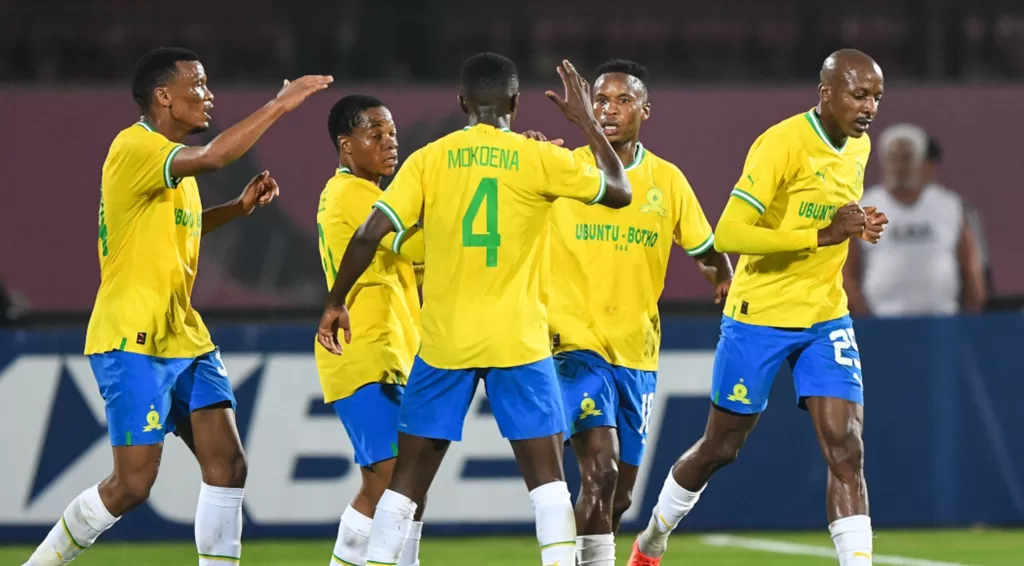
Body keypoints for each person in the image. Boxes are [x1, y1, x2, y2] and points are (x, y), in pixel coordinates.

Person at [316, 52, 633, 566]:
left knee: (404, 485)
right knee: (548, 484)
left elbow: (370, 233)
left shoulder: (429, 159)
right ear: (514, 102)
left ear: (462, 102)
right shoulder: (539, 159)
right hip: (519, 339)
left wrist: (334, 302)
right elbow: (619, 190)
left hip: (445, 341)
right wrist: (586, 123)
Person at [24, 47, 332, 566]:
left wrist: (235, 209)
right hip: (133, 334)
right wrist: (280, 105)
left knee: (229, 466)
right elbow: (215, 155)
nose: (209, 95)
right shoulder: (134, 146)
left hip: (183, 334)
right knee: (133, 483)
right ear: (163, 95)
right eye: (199, 85)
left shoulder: (175, 174)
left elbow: (178, 232)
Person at [628, 49, 889, 566]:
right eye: (859, 95)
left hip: (823, 316)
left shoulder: (858, 147)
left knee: (847, 447)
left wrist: (855, 223)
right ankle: (653, 536)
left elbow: (836, 217)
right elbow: (729, 232)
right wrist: (825, 232)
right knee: (719, 448)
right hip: (759, 314)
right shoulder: (782, 144)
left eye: (877, 97)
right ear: (826, 94)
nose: (870, 108)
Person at [526, 58, 732, 566]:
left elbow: (705, 249)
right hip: (573, 346)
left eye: (622, 100)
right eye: (600, 100)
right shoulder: (564, 168)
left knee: (617, 498)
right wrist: (520, 154)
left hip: (636, 351)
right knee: (600, 469)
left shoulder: (667, 180)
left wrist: (725, 278)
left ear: (646, 110)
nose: (609, 109)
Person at [316, 94, 426, 566]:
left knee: (389, 486)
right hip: (364, 354)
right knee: (393, 483)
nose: (389, 142)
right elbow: (421, 239)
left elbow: (417, 260)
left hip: (391, 354)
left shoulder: (366, 195)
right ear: (346, 145)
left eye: (392, 133)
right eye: (375, 134)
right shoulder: (355, 195)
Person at [845, 124, 986, 317]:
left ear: (921, 162)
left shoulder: (950, 206)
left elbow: (971, 271)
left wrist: (970, 318)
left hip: (942, 322)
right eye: (894, 159)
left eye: (907, 158)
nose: (900, 166)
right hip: (882, 323)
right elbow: (847, 272)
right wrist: (864, 319)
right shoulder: (864, 208)